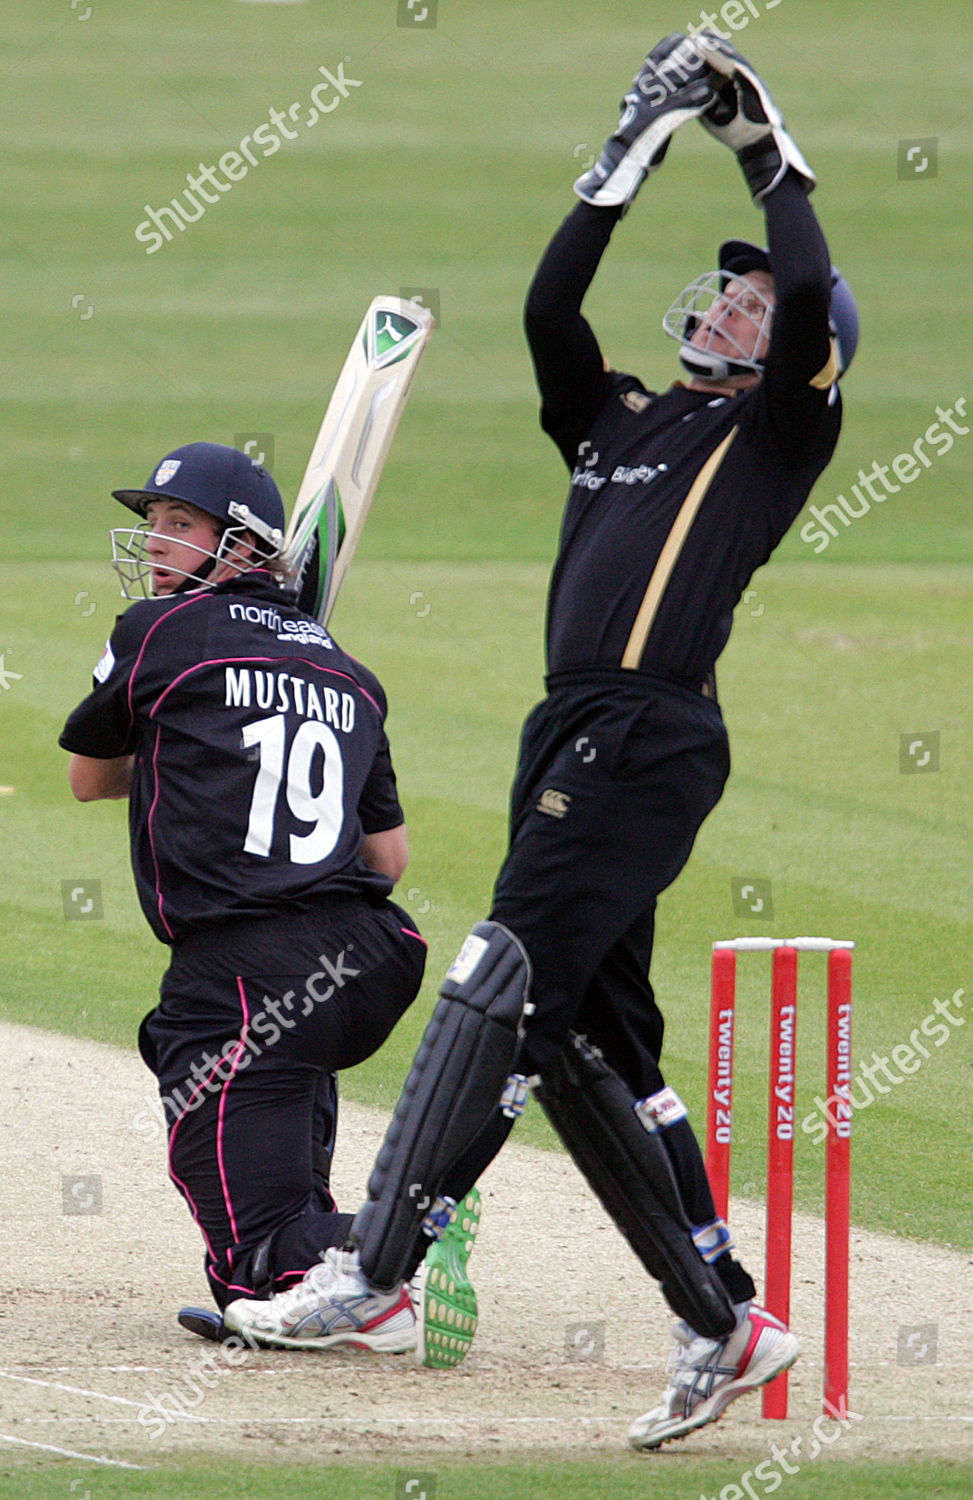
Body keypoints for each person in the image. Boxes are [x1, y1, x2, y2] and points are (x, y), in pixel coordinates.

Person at [224, 32, 857, 1448]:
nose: (735, 306)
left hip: (647, 733)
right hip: (568, 730)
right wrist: (623, 156)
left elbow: (814, 287)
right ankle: (724, 1321)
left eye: (755, 303)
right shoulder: (617, 420)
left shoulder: (776, 436)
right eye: (729, 289)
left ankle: (375, 1271)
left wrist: (764, 153)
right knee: (585, 1044)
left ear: (798, 354)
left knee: (499, 976)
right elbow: (548, 307)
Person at [59, 441, 439, 1349]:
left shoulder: (156, 633)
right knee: (258, 1077)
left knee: (248, 1251)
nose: (155, 541)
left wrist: (194, 742)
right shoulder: (351, 674)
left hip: (244, 971)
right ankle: (328, 1287)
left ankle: (390, 1247)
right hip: (369, 958)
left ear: (241, 547)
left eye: (178, 524)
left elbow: (89, 778)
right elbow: (388, 857)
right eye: (152, 523)